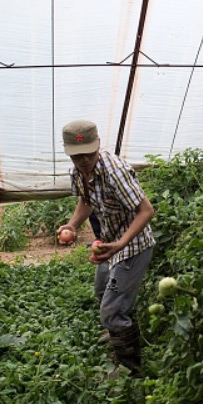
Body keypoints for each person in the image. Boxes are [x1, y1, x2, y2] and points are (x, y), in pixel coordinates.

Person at [57, 120, 155, 376]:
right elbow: (86, 202)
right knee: (103, 289)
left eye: (89, 154)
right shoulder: (79, 173)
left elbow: (146, 211)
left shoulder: (115, 172)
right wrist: (72, 224)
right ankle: (116, 332)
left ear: (98, 144)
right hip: (109, 245)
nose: (84, 160)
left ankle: (131, 369)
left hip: (132, 248)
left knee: (112, 308)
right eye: (78, 156)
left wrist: (122, 244)